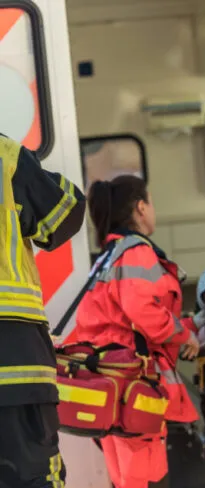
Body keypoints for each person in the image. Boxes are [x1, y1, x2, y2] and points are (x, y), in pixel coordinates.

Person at [70, 175, 199, 488]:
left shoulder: (107, 256)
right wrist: (185, 334)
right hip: (134, 386)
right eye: (150, 202)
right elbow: (142, 311)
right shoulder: (136, 252)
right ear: (141, 208)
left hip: (110, 384)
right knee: (146, 478)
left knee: (126, 481)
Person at [0, 134, 85, 487]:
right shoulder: (6, 156)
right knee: (31, 476)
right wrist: (33, 165)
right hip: (15, 361)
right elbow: (65, 214)